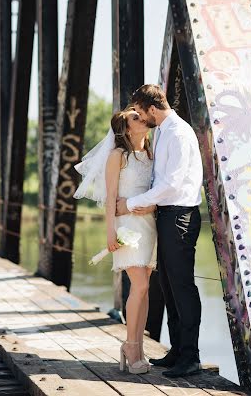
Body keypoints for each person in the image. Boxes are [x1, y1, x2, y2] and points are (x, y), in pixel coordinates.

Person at [116, 84, 203, 378]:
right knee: (167, 285)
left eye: (141, 113)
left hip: (180, 217)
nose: (141, 117)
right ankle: (178, 350)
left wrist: (132, 203)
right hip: (166, 215)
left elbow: (172, 184)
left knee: (182, 286)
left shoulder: (177, 133)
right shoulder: (164, 131)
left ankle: (190, 357)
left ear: (152, 109)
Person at [74, 107, 157, 375]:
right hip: (126, 226)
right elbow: (110, 198)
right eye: (135, 117)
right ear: (126, 128)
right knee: (140, 284)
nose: (141, 118)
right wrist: (110, 232)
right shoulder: (117, 156)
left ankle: (138, 347)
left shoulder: (150, 154)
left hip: (149, 225)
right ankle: (131, 346)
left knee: (144, 290)